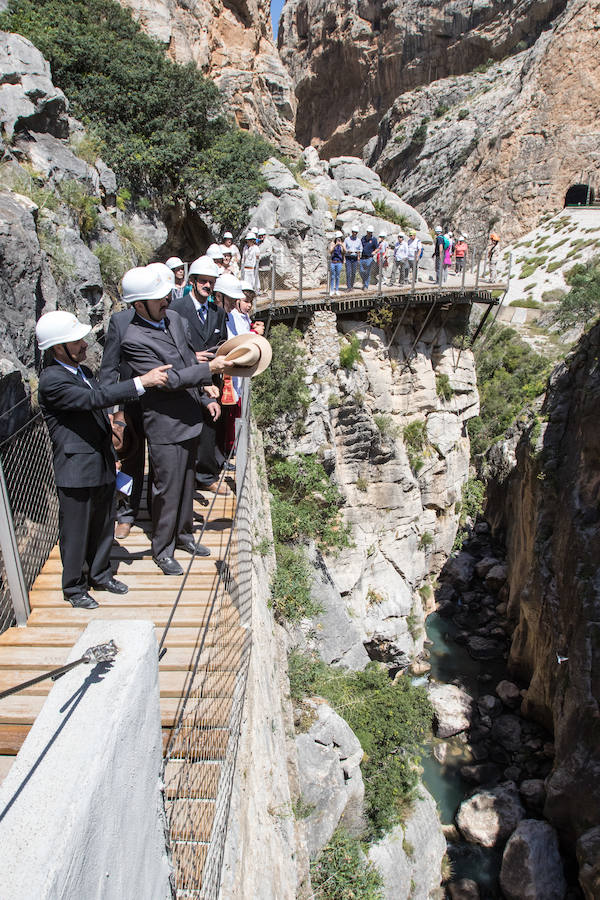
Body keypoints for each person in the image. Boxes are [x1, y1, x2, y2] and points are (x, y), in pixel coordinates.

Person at [36, 310, 171, 607]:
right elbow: (93, 400)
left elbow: (98, 412)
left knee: (103, 522)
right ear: (59, 348)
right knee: (76, 530)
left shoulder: (81, 373)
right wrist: (141, 382)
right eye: (77, 341)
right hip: (76, 468)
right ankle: (74, 587)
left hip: (100, 461)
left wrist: (112, 456)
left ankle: (100, 574)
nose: (85, 345)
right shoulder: (52, 381)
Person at [119, 265, 231, 576]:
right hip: (165, 425)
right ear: (139, 305)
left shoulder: (174, 320)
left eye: (166, 295)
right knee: (166, 490)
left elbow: (185, 361)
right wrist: (210, 370)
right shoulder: (133, 339)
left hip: (189, 417)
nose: (166, 300)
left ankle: (183, 536)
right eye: (158, 299)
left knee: (185, 483)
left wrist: (206, 397)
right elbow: (168, 380)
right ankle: (162, 548)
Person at [98, 266, 176, 539]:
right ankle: (126, 514)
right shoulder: (120, 322)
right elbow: (109, 368)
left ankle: (158, 514)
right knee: (130, 458)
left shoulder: (167, 317)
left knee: (160, 460)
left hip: (161, 402)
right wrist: (109, 410)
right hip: (130, 401)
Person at [170, 255, 229, 495]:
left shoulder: (218, 312)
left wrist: (216, 358)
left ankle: (206, 475)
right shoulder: (176, 310)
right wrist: (194, 355)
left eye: (211, 282)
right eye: (203, 281)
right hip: (185, 375)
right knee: (184, 424)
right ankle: (184, 477)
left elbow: (223, 341)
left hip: (211, 377)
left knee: (209, 426)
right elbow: (170, 344)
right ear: (192, 281)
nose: (207, 286)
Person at [343, 224, 361, 291]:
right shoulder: (347, 239)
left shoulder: (358, 240)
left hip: (355, 258)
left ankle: (351, 286)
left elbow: (360, 249)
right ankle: (348, 287)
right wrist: (348, 251)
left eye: (356, 232)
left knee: (353, 273)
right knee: (348, 272)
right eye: (354, 232)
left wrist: (358, 252)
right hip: (348, 257)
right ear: (352, 232)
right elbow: (344, 248)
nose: (355, 233)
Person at [329, 231, 344, 295]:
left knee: (337, 276)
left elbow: (344, 251)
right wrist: (336, 245)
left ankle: (337, 289)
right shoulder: (332, 243)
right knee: (332, 276)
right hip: (333, 262)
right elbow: (330, 251)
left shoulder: (342, 244)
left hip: (339, 262)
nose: (338, 239)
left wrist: (341, 245)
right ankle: (332, 289)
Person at [256, 229, 271, 294]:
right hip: (259, 264)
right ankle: (261, 288)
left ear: (265, 235)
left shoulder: (268, 243)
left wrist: (261, 256)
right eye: (260, 235)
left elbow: (269, 253)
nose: (261, 237)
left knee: (265, 278)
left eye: (262, 235)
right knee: (260, 277)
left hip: (265, 264)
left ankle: (266, 289)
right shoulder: (258, 242)